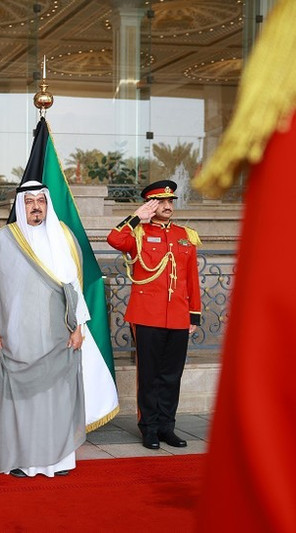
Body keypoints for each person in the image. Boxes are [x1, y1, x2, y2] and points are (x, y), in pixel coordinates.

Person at [0, 180, 87, 478]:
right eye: (29, 201)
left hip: (58, 335)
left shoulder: (63, 236)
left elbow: (75, 285)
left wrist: (79, 327)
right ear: (20, 205)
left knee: (56, 399)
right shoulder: (4, 239)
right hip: (17, 336)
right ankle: (24, 461)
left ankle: (59, 460)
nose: (36, 205)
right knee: (22, 402)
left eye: (41, 200)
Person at [107, 179, 201, 450]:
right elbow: (114, 239)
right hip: (147, 315)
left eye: (170, 201)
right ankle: (148, 427)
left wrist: (193, 315)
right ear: (150, 204)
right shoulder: (137, 233)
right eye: (161, 201)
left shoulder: (186, 235)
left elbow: (191, 279)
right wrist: (137, 217)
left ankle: (166, 427)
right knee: (149, 375)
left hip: (179, 316)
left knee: (172, 375)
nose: (167, 206)